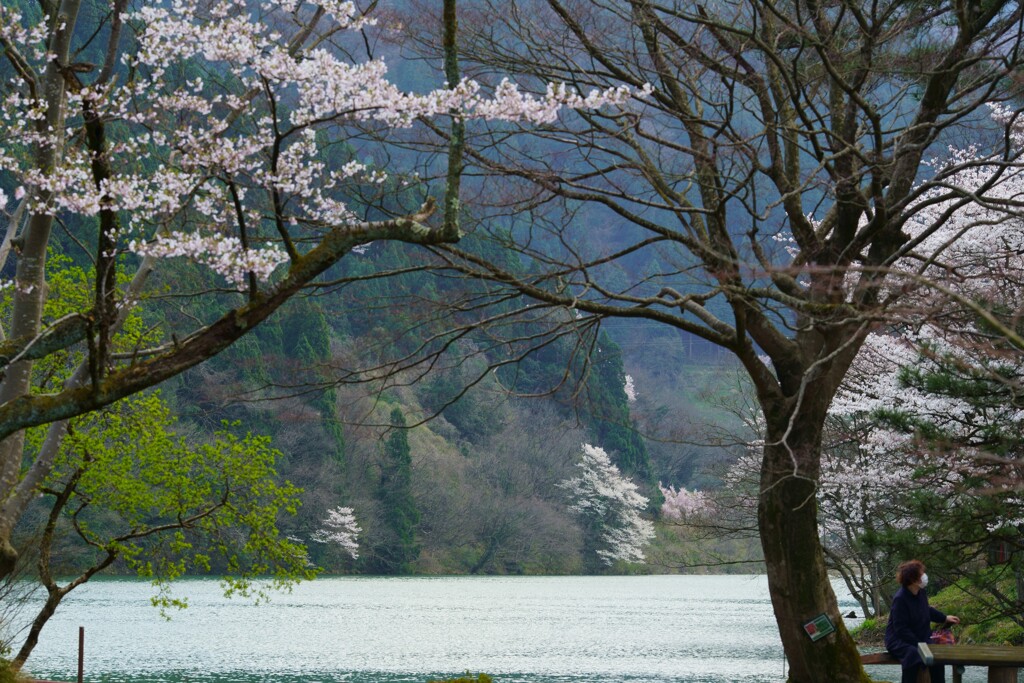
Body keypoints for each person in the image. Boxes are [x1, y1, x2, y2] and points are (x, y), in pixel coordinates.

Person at [884, 560, 961, 683]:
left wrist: (944, 618)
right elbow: (901, 629)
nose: (925, 576)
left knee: (936, 656)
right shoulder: (900, 599)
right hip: (899, 640)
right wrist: (920, 644)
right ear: (913, 579)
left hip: (921, 637)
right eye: (921, 574)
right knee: (914, 655)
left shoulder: (921, 592)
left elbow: (927, 610)